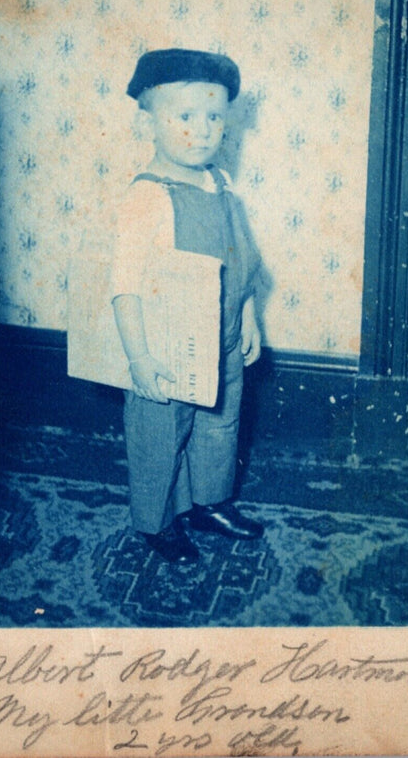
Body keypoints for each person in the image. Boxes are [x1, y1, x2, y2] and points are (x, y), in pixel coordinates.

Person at [111, 48, 263, 563]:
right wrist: (139, 358)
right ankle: (157, 521)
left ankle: (210, 501)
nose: (203, 130)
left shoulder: (221, 183)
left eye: (214, 116)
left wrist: (248, 315)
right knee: (162, 432)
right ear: (146, 123)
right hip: (167, 345)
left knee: (220, 421)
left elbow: (239, 257)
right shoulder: (147, 197)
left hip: (220, 336)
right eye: (185, 116)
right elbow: (124, 285)